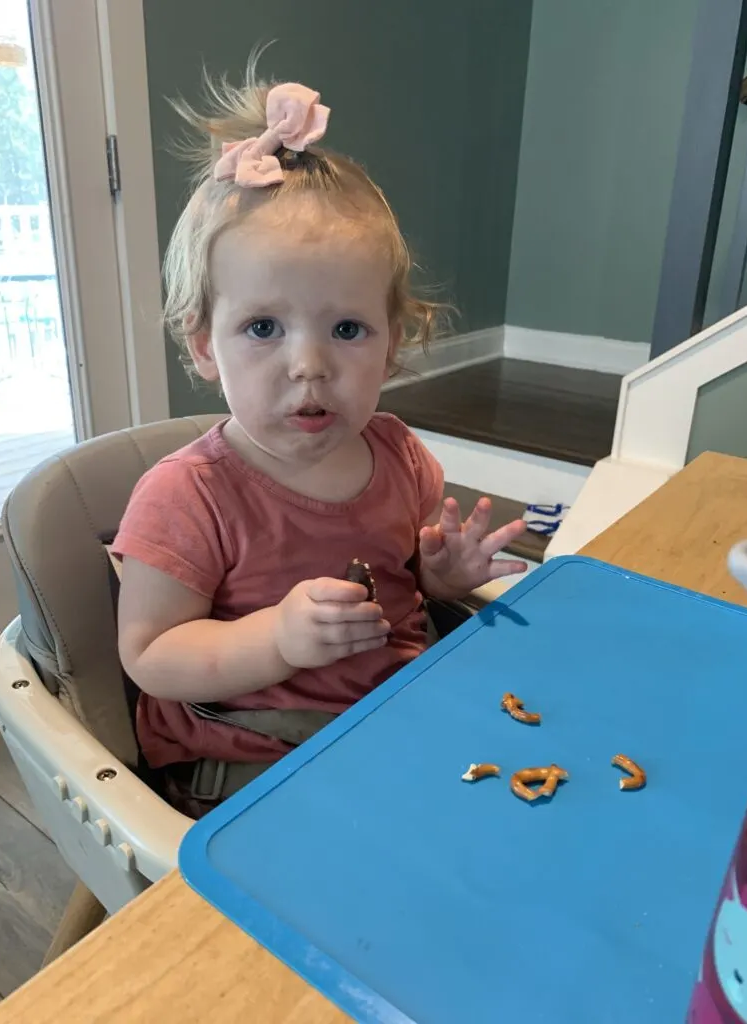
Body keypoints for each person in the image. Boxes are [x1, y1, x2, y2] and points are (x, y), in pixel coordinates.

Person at [114, 63, 527, 817]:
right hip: (256, 758)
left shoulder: (401, 457)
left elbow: (402, 594)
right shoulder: (185, 496)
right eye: (263, 328)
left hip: (401, 717)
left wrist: (441, 579)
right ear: (205, 345)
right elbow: (150, 657)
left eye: (347, 329)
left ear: (393, 341)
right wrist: (277, 639)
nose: (309, 365)